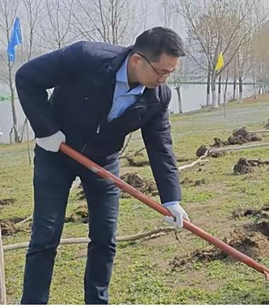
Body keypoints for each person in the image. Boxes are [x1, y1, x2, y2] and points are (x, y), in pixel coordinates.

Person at [15, 27, 190, 304]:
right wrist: (45, 130)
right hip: (55, 151)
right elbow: (26, 78)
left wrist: (171, 199)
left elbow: (160, 147)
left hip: (103, 162)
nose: (164, 79)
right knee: (45, 238)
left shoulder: (158, 96)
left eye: (170, 73)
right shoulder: (85, 57)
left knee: (105, 239)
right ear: (136, 60)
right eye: (161, 72)